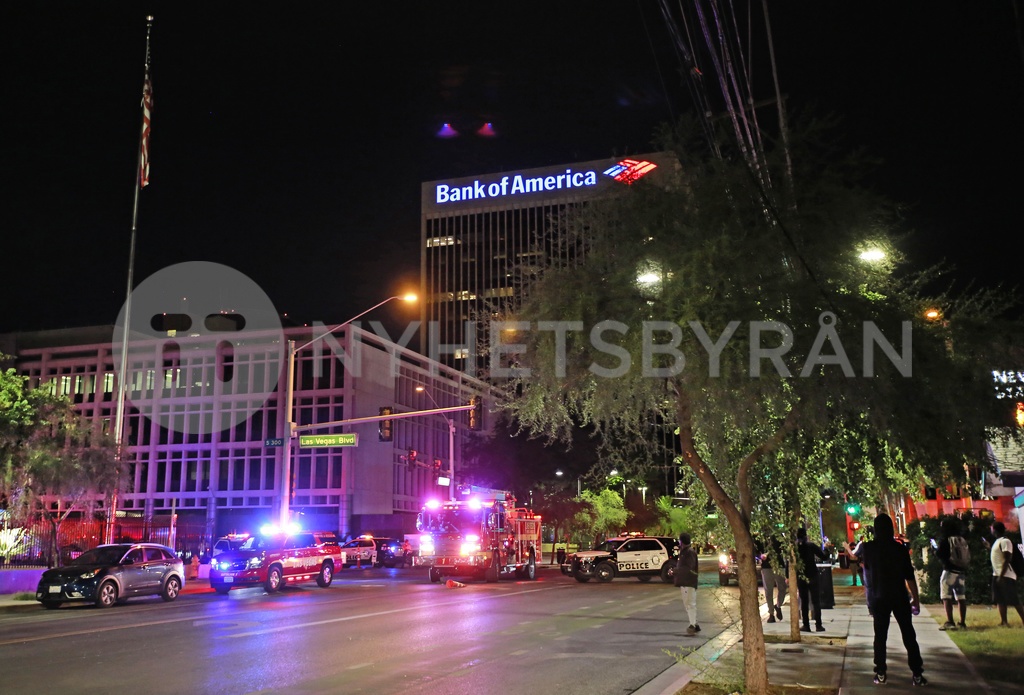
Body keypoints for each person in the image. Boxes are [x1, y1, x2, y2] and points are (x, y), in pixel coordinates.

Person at [861, 512, 926, 686]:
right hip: (899, 596)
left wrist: (869, 600)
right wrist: (916, 598)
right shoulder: (900, 549)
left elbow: (867, 576)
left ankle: (880, 672)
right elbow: (909, 576)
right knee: (908, 634)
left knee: (880, 636)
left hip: (879, 597)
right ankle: (917, 673)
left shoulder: (868, 549)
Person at [935, 517, 969, 630]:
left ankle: (950, 621)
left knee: (946, 597)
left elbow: (940, 554)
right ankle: (962, 622)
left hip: (949, 572)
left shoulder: (946, 540)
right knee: (961, 598)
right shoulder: (961, 539)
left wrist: (934, 550)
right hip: (961, 572)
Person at [990, 521, 1024, 627]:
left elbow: (1007, 558)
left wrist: (1001, 575)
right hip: (998, 574)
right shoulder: (997, 541)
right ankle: (1004, 622)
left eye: (991, 528)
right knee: (1000, 599)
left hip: (1006, 575)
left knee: (1014, 599)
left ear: (995, 529)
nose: (990, 530)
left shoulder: (1005, 541)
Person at [796, 527, 828, 632]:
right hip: (813, 575)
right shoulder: (811, 546)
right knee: (816, 601)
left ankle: (806, 625)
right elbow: (824, 557)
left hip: (801, 576)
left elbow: (789, 563)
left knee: (804, 601)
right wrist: (826, 549)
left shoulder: (795, 548)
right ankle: (818, 625)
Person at [675, 532, 700, 635]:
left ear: (682, 542)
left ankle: (693, 625)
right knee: (688, 603)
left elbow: (688, 567)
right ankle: (695, 623)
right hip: (686, 581)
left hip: (688, 581)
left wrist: (677, 570)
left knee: (690, 603)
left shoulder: (688, 552)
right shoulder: (686, 552)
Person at [757, 535, 787, 622]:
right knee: (768, 591)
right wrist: (760, 555)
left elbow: (783, 547)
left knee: (783, 588)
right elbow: (756, 550)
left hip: (779, 565)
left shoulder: (778, 535)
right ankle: (771, 614)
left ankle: (778, 606)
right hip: (766, 566)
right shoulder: (761, 537)